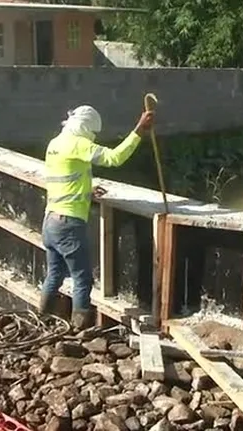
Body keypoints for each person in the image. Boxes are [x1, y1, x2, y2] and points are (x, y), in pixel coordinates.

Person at [40, 105, 155, 329]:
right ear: (85, 128)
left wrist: (86, 191)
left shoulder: (55, 143)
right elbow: (114, 158)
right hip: (68, 224)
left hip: (50, 220)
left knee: (54, 274)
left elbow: (65, 178)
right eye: (92, 133)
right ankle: (79, 330)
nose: (92, 137)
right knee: (82, 278)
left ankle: (42, 321)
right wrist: (139, 130)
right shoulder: (78, 143)